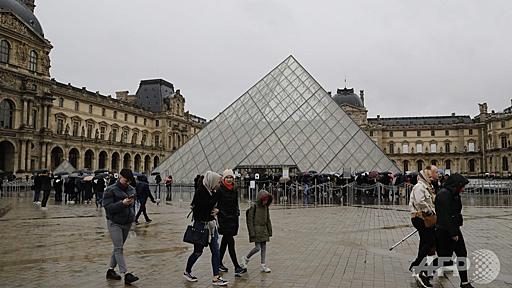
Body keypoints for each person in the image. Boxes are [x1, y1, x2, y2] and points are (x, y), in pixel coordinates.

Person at [429, 174, 473, 288]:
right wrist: (453, 233)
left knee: (462, 253)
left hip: (453, 228)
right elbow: (445, 216)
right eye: (462, 186)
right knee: (445, 259)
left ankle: (464, 282)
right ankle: (424, 272)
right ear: (456, 185)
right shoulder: (444, 194)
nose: (463, 189)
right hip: (445, 231)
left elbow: (454, 213)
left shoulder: (453, 194)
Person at [183, 171, 228, 286]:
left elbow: (214, 207)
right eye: (218, 182)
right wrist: (216, 197)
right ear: (212, 181)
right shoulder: (201, 192)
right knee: (198, 252)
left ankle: (216, 277)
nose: (219, 184)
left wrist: (217, 210)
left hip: (211, 226)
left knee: (216, 251)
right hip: (201, 226)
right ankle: (187, 271)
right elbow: (203, 210)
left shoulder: (210, 191)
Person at [102, 168, 139, 285]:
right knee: (119, 249)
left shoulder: (132, 189)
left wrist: (132, 216)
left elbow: (133, 205)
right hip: (114, 222)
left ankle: (110, 271)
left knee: (118, 247)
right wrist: (122, 203)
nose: (127, 183)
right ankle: (126, 274)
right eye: (125, 180)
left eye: (129, 181)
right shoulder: (110, 190)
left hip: (127, 222)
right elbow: (108, 207)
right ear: (120, 176)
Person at [408, 165, 438, 287]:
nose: (437, 174)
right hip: (420, 217)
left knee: (425, 241)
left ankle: (420, 265)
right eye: (435, 172)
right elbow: (420, 202)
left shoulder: (427, 187)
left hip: (423, 217)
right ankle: (417, 264)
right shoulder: (419, 187)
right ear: (427, 175)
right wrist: (430, 211)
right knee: (429, 241)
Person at [217, 169, 247, 277]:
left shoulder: (234, 189)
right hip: (224, 219)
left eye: (231, 177)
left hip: (233, 218)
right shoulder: (220, 190)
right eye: (227, 177)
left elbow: (235, 203)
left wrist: (237, 212)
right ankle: (236, 267)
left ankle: (218, 263)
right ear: (223, 179)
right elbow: (217, 203)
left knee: (225, 241)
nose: (229, 179)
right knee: (230, 242)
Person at [241, 189, 273, 273]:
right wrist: (251, 232)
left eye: (267, 200)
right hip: (256, 230)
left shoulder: (266, 207)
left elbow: (268, 219)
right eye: (264, 199)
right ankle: (246, 258)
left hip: (264, 229)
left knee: (264, 247)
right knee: (257, 248)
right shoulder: (254, 207)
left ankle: (263, 264)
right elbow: (250, 220)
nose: (266, 201)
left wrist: (270, 230)